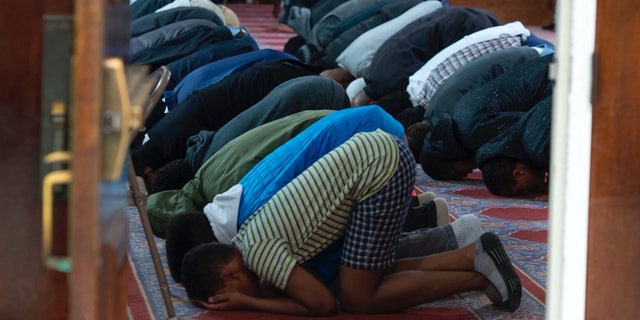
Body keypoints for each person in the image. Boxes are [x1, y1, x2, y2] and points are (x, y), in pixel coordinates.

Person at [180, 130, 521, 315]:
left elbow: (322, 306)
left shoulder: (256, 253)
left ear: (229, 274)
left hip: (377, 172)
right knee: (364, 276)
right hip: (375, 155)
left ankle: (477, 278)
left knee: (357, 298)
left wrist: (250, 302)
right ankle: (471, 255)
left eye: (228, 297)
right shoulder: (248, 242)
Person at [476, 96, 552, 197]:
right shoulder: (522, 138)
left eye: (525, 190)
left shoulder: (538, 149)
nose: (532, 192)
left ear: (519, 172)